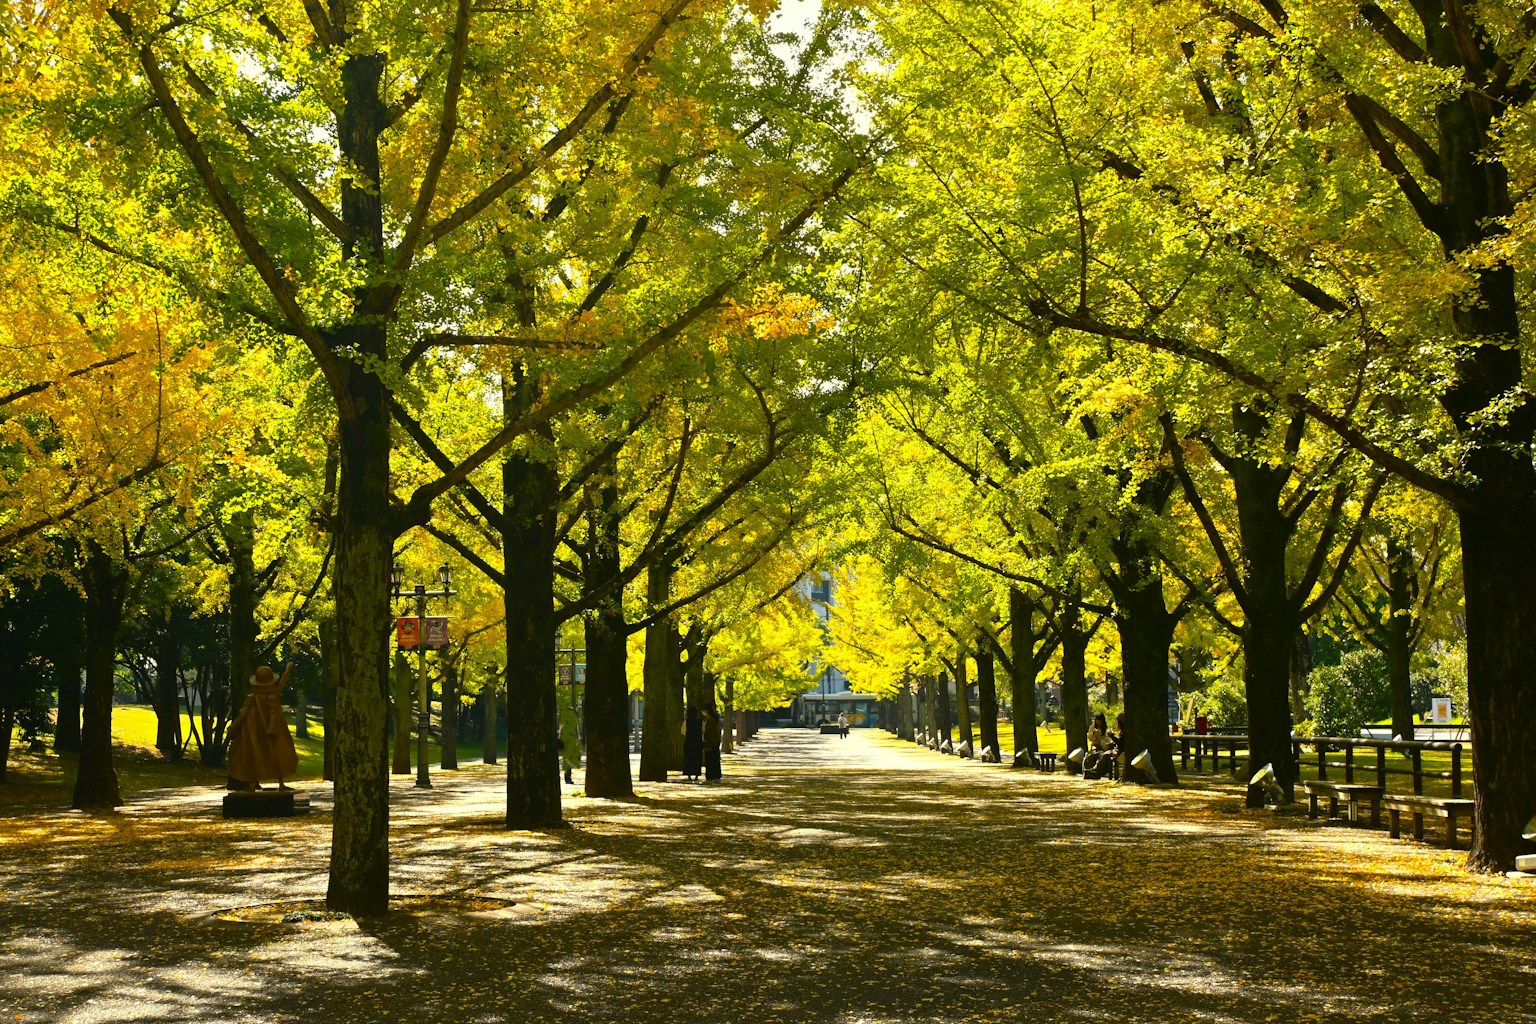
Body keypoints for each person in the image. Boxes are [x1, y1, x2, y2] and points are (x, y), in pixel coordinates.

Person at [228, 663, 299, 790]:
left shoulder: (252, 697)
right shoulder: (274, 694)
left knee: (255, 753)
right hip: (273, 731)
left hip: (255, 732)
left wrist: (234, 726)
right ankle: (279, 782)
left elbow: (242, 713)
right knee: (277, 752)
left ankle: (253, 783)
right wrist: (288, 668)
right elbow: (283, 680)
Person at [1082, 712, 1119, 780]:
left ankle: (1097, 770)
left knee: (1103, 754)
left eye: (1099, 720)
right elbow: (1090, 738)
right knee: (1093, 754)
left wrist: (1105, 743)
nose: (1098, 722)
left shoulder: (1105, 728)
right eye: (1097, 720)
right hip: (1096, 745)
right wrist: (1094, 734)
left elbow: (1107, 738)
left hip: (1104, 746)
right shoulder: (1093, 727)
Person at [682, 705, 704, 781]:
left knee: (689, 758)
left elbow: (683, 732)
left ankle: (689, 774)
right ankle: (697, 774)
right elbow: (703, 731)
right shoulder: (700, 722)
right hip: (698, 742)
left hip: (689, 742)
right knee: (697, 758)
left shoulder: (686, 722)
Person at [702, 705, 722, 782]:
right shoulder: (715, 718)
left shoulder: (710, 719)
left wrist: (706, 740)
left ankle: (711, 776)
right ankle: (716, 775)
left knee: (710, 760)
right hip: (715, 742)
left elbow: (709, 732)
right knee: (715, 759)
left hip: (711, 742)